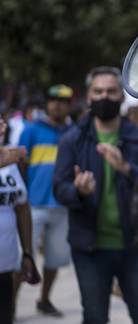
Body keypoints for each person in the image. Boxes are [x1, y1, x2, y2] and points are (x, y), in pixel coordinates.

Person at [53, 66, 138, 324]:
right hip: (90, 248)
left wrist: (126, 168)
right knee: (95, 316)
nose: (104, 97)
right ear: (88, 97)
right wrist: (78, 190)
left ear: (122, 96)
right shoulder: (72, 140)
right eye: (98, 91)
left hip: (134, 246)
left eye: (111, 91)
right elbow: (59, 188)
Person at [18, 84, 73, 317]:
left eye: (62, 101)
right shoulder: (30, 130)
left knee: (54, 259)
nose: (57, 104)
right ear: (47, 104)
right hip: (34, 205)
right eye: (53, 100)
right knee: (23, 259)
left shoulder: (74, 132)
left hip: (62, 206)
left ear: (69, 105)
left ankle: (44, 300)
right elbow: (20, 166)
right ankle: (9, 306)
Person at [0, 118, 39, 324]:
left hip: (5, 269)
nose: (2, 126)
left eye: (1, 121)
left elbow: (22, 208)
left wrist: (27, 253)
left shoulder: (10, 160)